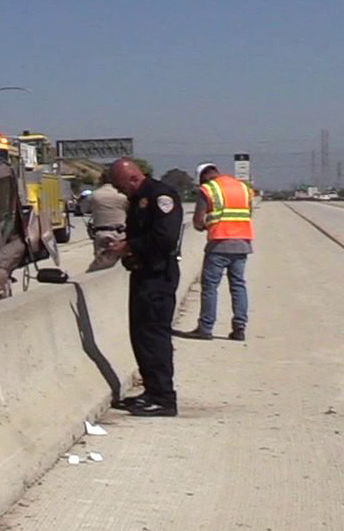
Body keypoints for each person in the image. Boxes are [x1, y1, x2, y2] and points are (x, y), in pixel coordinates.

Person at [106, 158, 182, 416]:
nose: (120, 192)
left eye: (120, 186)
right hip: (142, 274)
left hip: (158, 276)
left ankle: (164, 398)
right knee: (140, 336)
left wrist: (128, 246)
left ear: (133, 178)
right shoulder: (139, 198)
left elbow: (165, 236)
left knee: (154, 336)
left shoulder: (160, 195)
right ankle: (152, 390)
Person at [188, 162, 251, 340]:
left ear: (204, 177)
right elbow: (247, 214)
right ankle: (239, 328)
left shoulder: (208, 189)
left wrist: (204, 226)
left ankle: (205, 328)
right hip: (242, 243)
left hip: (219, 244)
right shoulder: (243, 188)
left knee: (210, 287)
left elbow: (198, 221)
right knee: (238, 285)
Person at [83, 169, 129, 272]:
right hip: (121, 234)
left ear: (101, 180)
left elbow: (83, 209)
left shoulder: (94, 195)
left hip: (101, 233)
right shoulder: (123, 196)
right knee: (122, 267)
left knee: (101, 264)